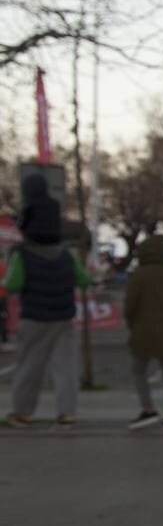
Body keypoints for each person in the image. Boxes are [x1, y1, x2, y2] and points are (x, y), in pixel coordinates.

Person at [5, 173, 89, 428]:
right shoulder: (66, 256)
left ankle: (23, 412)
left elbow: (13, 284)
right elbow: (83, 280)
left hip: (34, 317)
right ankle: (66, 413)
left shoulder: (23, 255)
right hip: (64, 316)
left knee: (30, 366)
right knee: (66, 368)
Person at [124, 233, 163, 430]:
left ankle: (148, 409)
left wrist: (132, 324)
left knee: (138, 370)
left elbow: (130, 306)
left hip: (143, 329)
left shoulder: (138, 275)